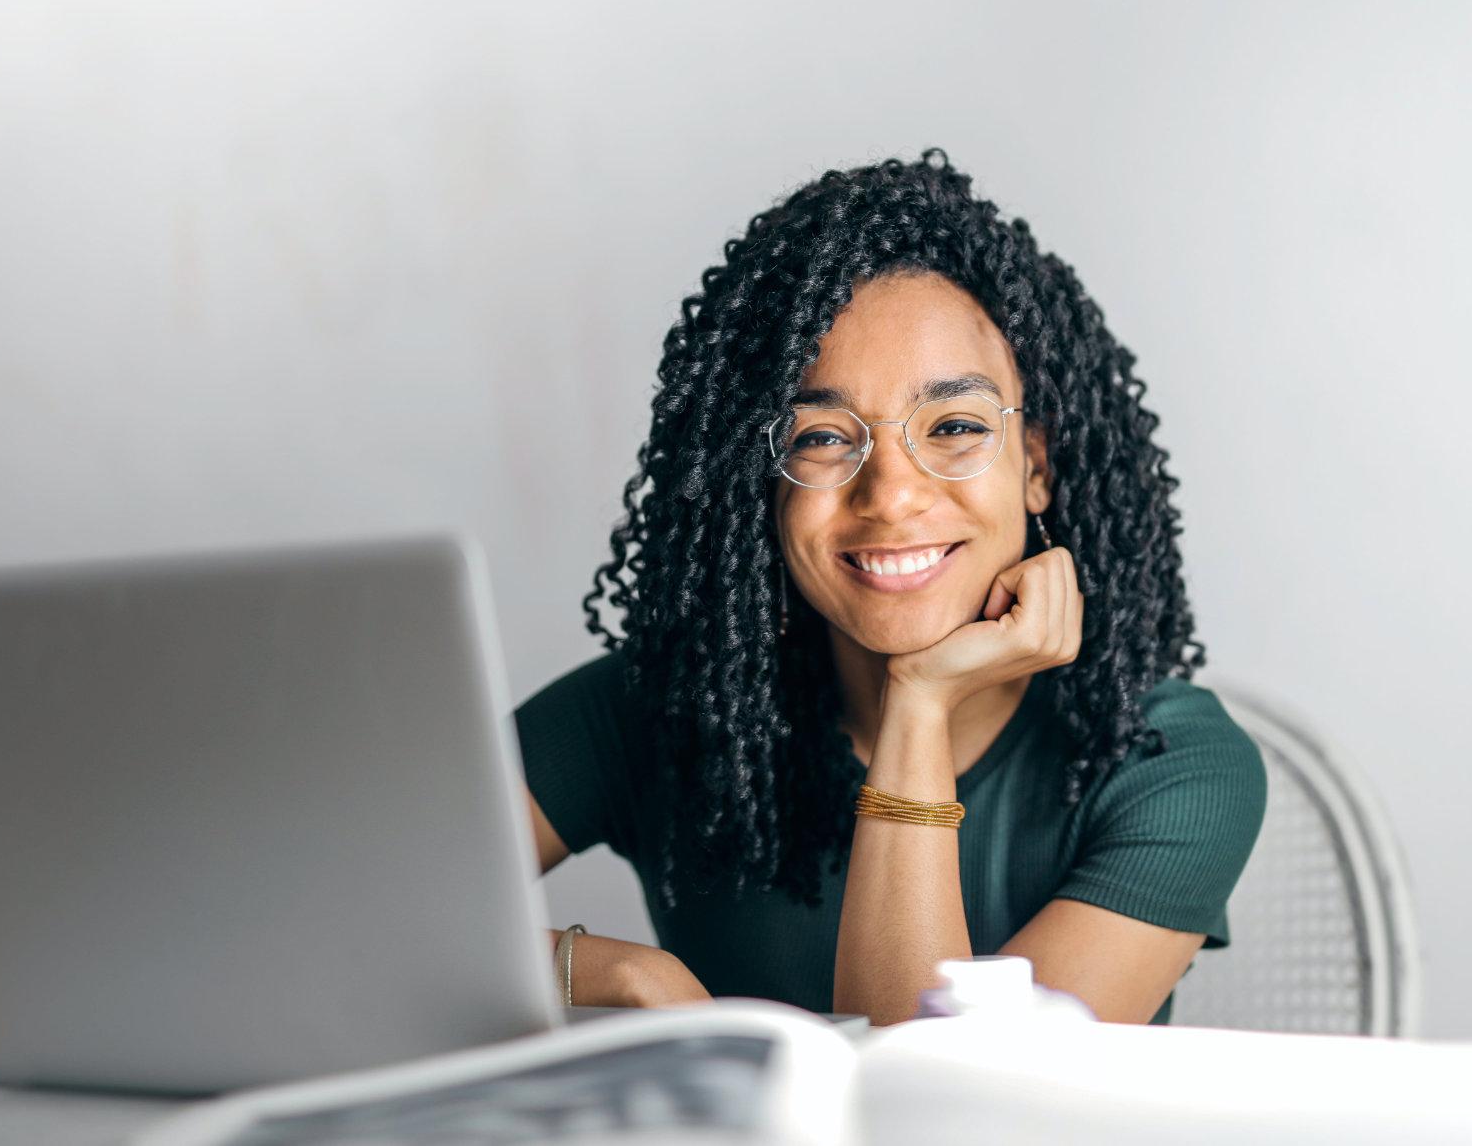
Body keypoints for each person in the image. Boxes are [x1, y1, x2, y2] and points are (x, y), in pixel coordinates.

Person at [515, 149, 1266, 1026]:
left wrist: (920, 702)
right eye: (823, 438)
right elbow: (338, 913)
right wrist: (616, 972)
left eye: (953, 425)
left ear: (1037, 465)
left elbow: (944, 1112)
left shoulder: (1167, 761)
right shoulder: (663, 707)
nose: (893, 493)